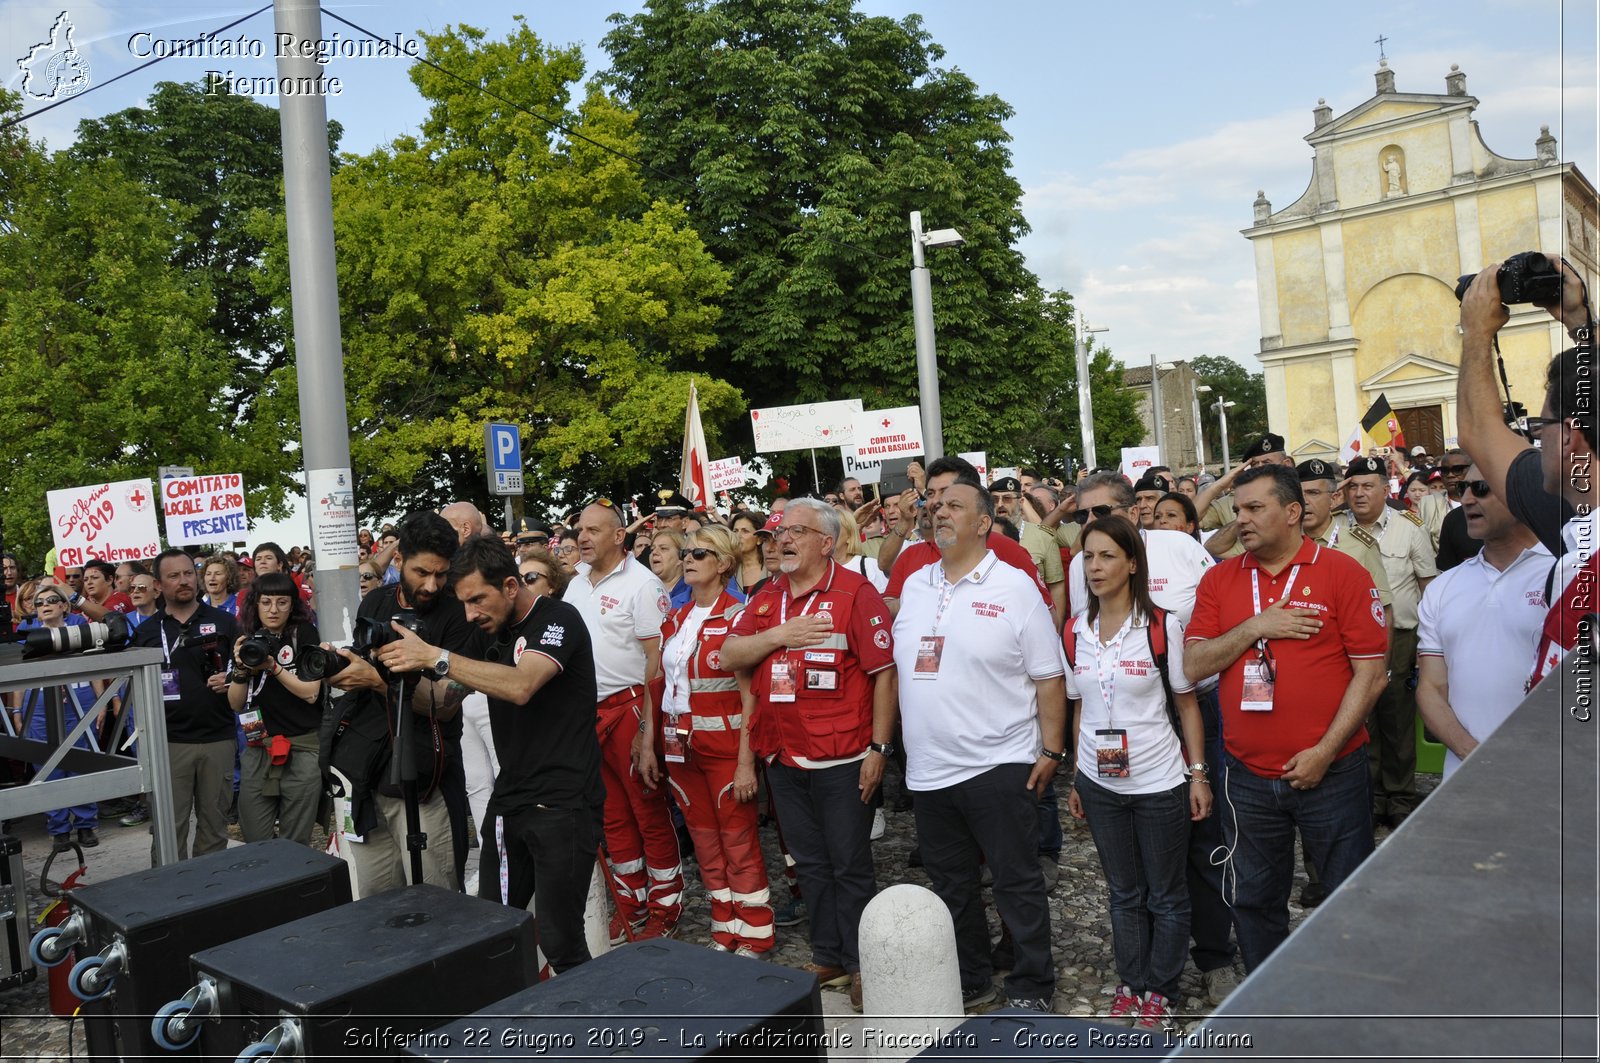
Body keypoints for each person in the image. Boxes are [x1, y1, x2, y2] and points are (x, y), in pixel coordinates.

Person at [1183, 465, 1388, 971]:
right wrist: (1257, 626)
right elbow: (1193, 664)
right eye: (1238, 510)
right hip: (1247, 775)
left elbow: (1372, 675)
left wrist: (1323, 751)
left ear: (1293, 512)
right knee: (1253, 898)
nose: (1242, 520)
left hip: (1332, 771)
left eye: (1255, 508)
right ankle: (1267, 1005)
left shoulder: (1343, 573)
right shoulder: (1219, 579)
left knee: (1345, 893)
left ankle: (1343, 1002)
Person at [379, 536, 604, 974]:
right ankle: (513, 1024)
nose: (470, 614)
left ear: (510, 586)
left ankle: (596, 1031)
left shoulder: (558, 617)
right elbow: (443, 702)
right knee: (493, 928)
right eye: (462, 603)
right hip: (510, 800)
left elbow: (522, 686)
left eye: (478, 599)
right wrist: (383, 677)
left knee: (560, 940)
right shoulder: (489, 635)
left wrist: (438, 656)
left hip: (563, 803)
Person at [894, 480, 1065, 1013]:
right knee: (952, 885)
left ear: (985, 522)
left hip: (999, 761)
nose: (938, 512)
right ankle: (969, 976)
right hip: (928, 767)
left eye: (953, 506)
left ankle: (1033, 982)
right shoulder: (917, 583)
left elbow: (1048, 675)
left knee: (1015, 879)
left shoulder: (1013, 587)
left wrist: (1052, 752)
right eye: (934, 505)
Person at [723, 498, 897, 1011]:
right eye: (779, 533)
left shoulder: (854, 593)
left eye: (797, 531)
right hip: (783, 756)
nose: (783, 540)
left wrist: (879, 749)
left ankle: (865, 962)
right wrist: (780, 636)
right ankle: (831, 955)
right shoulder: (767, 596)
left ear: (827, 541)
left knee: (849, 864)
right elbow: (729, 655)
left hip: (842, 758)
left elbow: (883, 673)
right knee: (810, 864)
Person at [1065, 515, 1210, 1034]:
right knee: (1123, 892)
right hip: (1101, 784)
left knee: (1166, 895)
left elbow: (1186, 705)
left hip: (1158, 782)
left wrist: (1198, 775)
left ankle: (1162, 990)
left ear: (1131, 564)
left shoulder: (1161, 624)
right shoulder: (1074, 629)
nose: (1096, 567)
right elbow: (1079, 707)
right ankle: (1131, 983)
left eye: (1107, 556)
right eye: (1088, 557)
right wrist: (1078, 776)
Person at [322, 511, 475, 894]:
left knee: (437, 902)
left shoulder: (459, 612)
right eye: (422, 572)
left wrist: (376, 681)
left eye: (441, 574)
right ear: (400, 560)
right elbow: (363, 664)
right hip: (370, 774)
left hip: (426, 778)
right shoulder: (375, 601)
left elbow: (444, 703)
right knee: (377, 905)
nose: (432, 584)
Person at [1458, 253, 1592, 687]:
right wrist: (1580, 322)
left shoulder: (1563, 515)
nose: (1536, 438)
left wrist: (1476, 333)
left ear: (1569, 437)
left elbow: (1480, 430)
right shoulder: (1569, 516)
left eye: (1541, 426)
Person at [650, 525, 772, 955]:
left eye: (699, 553)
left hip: (725, 750)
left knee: (738, 841)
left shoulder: (739, 616)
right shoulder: (676, 619)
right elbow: (661, 685)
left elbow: (749, 697)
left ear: (723, 565)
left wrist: (745, 761)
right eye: (686, 551)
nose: (688, 558)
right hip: (680, 748)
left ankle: (755, 931)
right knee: (703, 840)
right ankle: (725, 926)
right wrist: (650, 741)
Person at [564, 499, 682, 941]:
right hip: (588, 713)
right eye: (581, 529)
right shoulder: (574, 584)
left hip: (632, 707)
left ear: (619, 536)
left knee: (648, 810)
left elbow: (658, 659)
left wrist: (648, 731)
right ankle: (630, 904)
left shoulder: (644, 585)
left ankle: (665, 906)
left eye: (593, 530)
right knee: (612, 815)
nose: (583, 537)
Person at [1416, 467, 1550, 775]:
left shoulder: (1567, 577)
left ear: (1522, 494)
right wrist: (1474, 756)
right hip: (1465, 775)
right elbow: (1431, 688)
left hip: (1550, 776)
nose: (1465, 499)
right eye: (1463, 487)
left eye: (1480, 487)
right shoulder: (1442, 587)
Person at [1336, 455, 1435, 828]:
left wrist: (1427, 649)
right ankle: (1372, 796)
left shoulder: (1409, 528)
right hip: (1350, 643)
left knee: (1396, 721)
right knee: (1363, 719)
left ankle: (1400, 796)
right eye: (1353, 487)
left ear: (1384, 488)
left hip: (1400, 639)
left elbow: (1429, 589)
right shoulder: (1336, 530)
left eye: (1367, 486)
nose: (1359, 494)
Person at [129, 548, 241, 861]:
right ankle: (167, 900)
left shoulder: (225, 623)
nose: (184, 581)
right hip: (168, 743)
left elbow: (246, 672)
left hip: (218, 739)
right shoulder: (145, 632)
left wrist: (231, 678)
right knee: (168, 830)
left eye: (189, 573)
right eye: (174, 576)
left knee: (214, 829)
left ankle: (209, 897)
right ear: (158, 585)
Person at [226, 571, 324, 845]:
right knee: (255, 834)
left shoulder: (302, 633)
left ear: (292, 605)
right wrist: (242, 669)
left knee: (296, 839)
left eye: (282, 602)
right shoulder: (246, 637)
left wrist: (273, 667)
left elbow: (311, 693)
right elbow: (235, 703)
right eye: (266, 602)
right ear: (255, 604)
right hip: (258, 745)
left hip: (302, 747)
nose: (273, 609)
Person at [8, 584, 106, 850]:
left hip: (80, 702)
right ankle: (59, 829)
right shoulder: (25, 637)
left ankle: (86, 825)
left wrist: (101, 704)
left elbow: (93, 668)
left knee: (81, 763)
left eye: (53, 599)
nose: (46, 605)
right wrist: (17, 711)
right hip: (38, 707)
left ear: (64, 606)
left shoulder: (81, 632)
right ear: (34, 609)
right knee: (47, 768)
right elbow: (19, 679)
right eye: (39, 602)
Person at [992, 475, 1068, 627]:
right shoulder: (980, 537)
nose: (1000, 504)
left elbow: (1056, 587)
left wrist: (1056, 630)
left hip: (1034, 621)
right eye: (994, 499)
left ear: (1021, 502)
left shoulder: (1043, 536)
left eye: (1007, 499)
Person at [1434, 450, 1482, 571]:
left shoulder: (1501, 507)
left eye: (1458, 469)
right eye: (1444, 471)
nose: (1450, 475)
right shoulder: (1451, 519)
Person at [834, 508, 888, 594]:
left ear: (849, 536)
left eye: (834, 528)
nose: (827, 533)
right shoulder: (816, 571)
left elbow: (883, 603)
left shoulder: (869, 566)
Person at [650, 530, 691, 609]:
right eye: (652, 549)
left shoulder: (693, 593)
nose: (654, 552)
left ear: (681, 557)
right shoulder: (644, 589)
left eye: (663, 548)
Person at [731, 511, 769, 594]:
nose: (738, 536)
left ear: (759, 539)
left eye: (745, 531)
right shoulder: (728, 570)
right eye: (735, 531)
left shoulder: (772, 569)